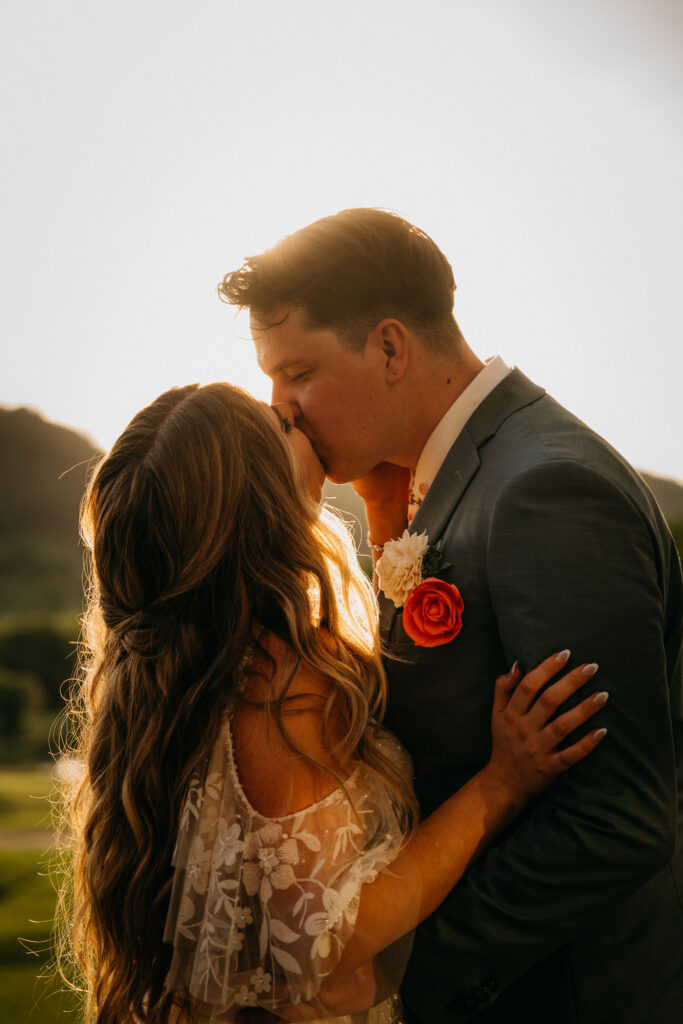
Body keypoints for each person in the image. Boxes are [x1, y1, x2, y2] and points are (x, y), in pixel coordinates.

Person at [218, 207, 683, 1024]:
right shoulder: (425, 484)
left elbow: (614, 816)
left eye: (296, 372)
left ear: (390, 347)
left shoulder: (546, 490)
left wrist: (401, 977)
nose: (281, 408)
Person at [61, 381, 605, 1024]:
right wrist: (501, 785)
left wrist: (381, 515)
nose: (297, 413)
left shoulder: (184, 676)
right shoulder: (280, 681)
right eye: (281, 426)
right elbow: (326, 938)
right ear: (258, 499)